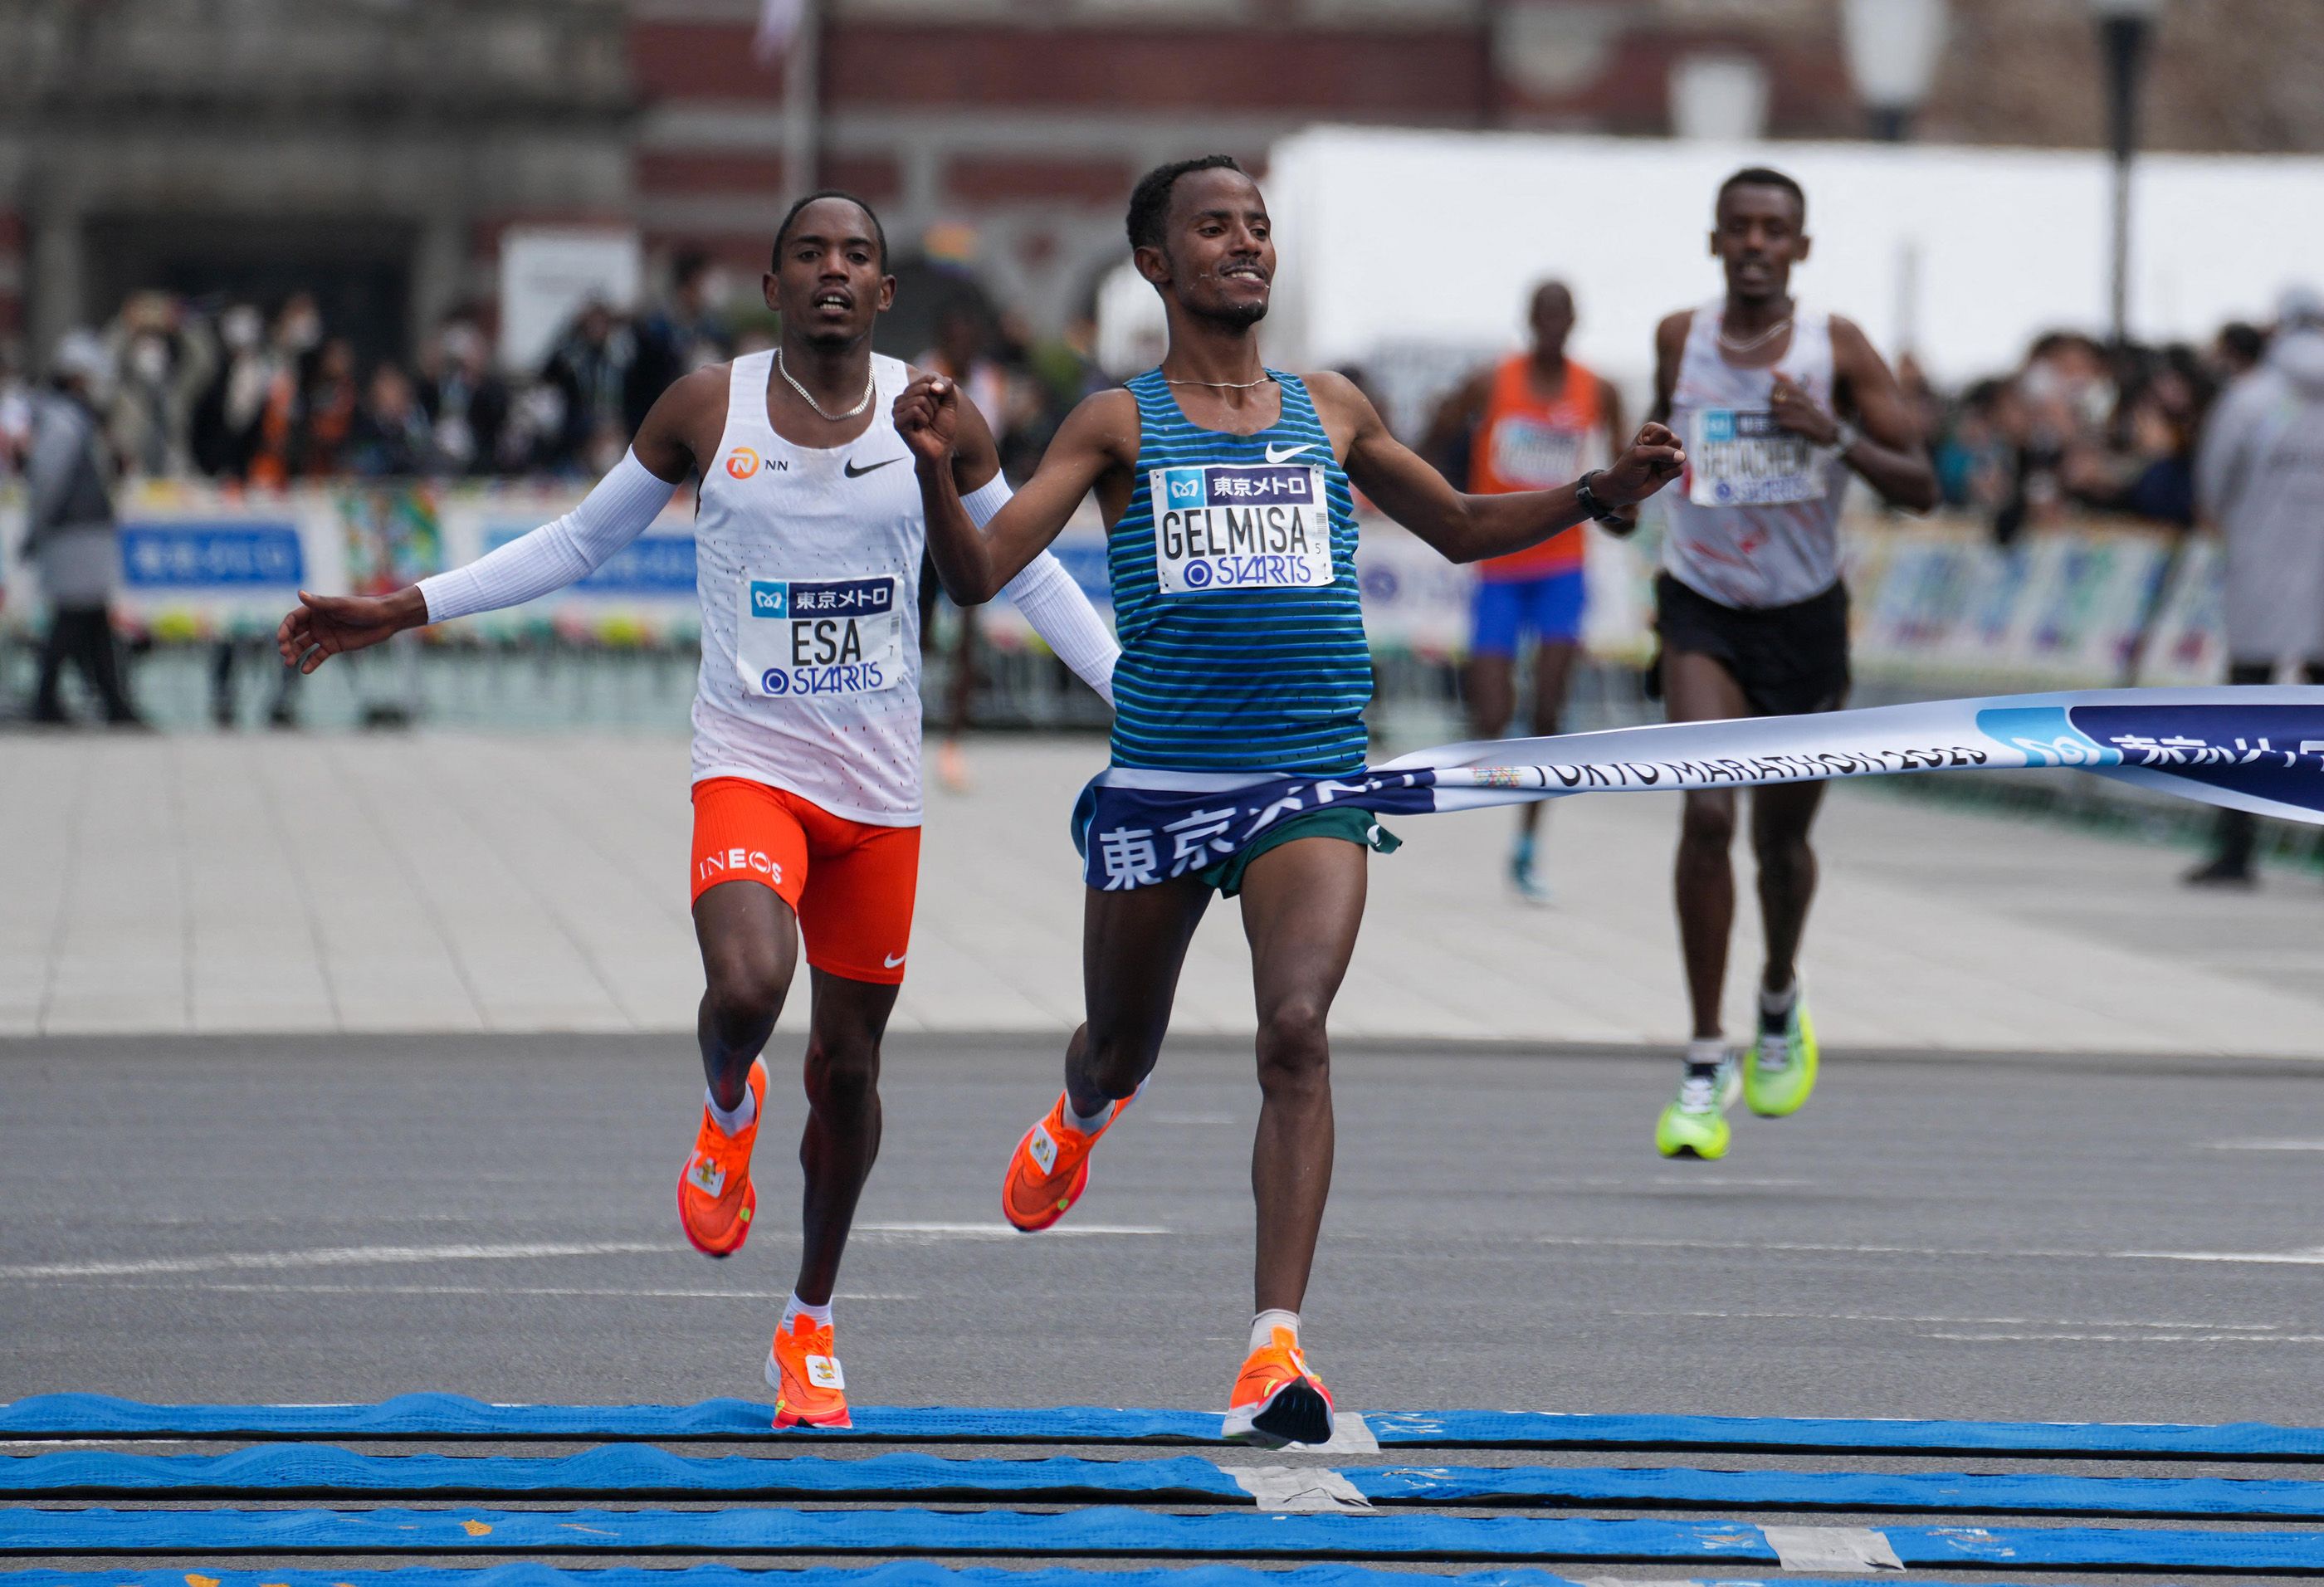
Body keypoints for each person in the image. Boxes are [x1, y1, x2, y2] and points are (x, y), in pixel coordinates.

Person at [274, 191, 1121, 1429]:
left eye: (857, 257)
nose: (833, 271)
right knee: (744, 987)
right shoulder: (706, 408)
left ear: (885, 294)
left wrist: (1141, 702)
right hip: (751, 762)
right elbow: (575, 543)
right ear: (770, 288)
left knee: (847, 1071)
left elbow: (1028, 573)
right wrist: (399, 608)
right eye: (808, 255)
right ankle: (728, 1109)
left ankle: (811, 1324)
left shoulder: (935, 417)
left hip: (878, 795)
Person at [893, 155, 1682, 1444]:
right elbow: (979, 573)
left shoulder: (1333, 408)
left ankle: (1274, 1353)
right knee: (1120, 1042)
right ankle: (1085, 1106)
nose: (1245, 244)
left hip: (1311, 777)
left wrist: (1600, 495)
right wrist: (935, 465)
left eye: (1258, 227)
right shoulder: (1116, 423)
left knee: (1297, 1032)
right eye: (1214, 228)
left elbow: (1472, 527)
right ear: (1157, 264)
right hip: (1161, 788)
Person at [1637, 167, 1935, 1161]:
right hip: (1702, 606)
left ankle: (1776, 996)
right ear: (1715, 242)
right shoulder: (1679, 336)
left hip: (1805, 621)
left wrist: (1834, 432)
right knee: (1707, 807)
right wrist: (1634, 472)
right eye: (1741, 229)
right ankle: (1702, 1053)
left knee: (1779, 844)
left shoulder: (1836, 346)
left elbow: (1922, 485)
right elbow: (1653, 443)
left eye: (1776, 231)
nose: (1757, 244)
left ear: (1799, 250)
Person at [1423, 281, 1628, 902]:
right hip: (1500, 565)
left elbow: (1620, 476)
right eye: (1543, 316)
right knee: (1490, 713)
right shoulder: (1491, 382)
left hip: (1563, 567)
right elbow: (1430, 439)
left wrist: (1621, 510)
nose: (1553, 327)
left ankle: (1528, 843)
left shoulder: (1600, 390)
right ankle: (1494, 785)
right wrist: (1443, 499)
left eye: (1562, 317)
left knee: (1549, 711)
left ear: (1575, 322)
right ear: (1530, 321)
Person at [2184, 286, 2324, 886]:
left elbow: (2214, 483)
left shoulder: (2251, 399)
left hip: (2261, 571)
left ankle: (2237, 849)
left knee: (2248, 715)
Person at [915, 305, 1015, 794]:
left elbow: (989, 447)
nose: (963, 346)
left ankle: (953, 745)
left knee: (970, 633)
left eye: (969, 339)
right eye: (955, 338)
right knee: (917, 631)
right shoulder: (921, 372)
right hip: (925, 517)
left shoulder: (989, 381)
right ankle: (898, 730)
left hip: (972, 519)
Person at [24, 331, 142, 725]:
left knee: (90, 620)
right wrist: (36, 530)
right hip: (74, 533)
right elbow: (48, 481)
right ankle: (50, 700)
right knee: (75, 619)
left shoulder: (74, 418)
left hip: (85, 532)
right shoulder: (62, 420)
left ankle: (111, 701)